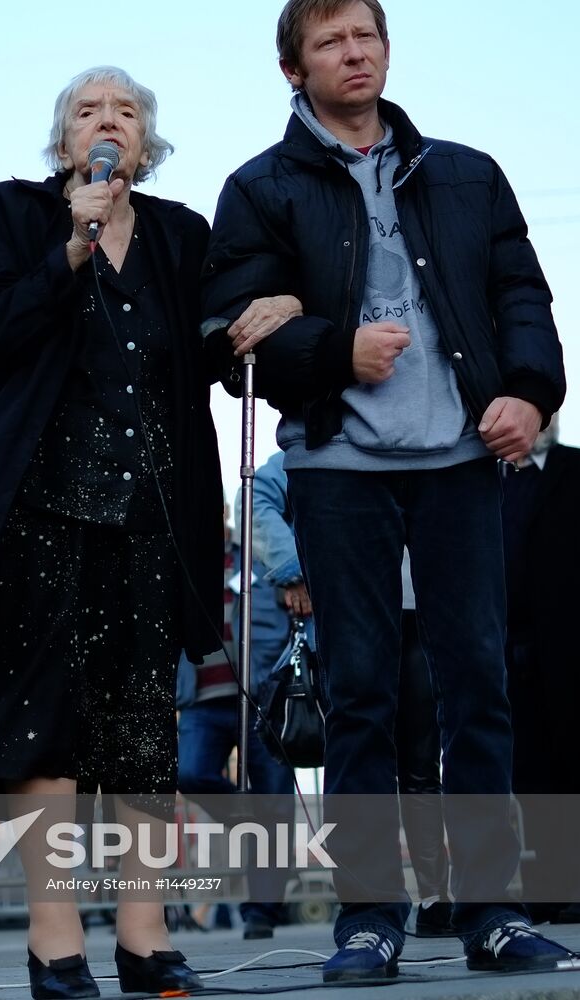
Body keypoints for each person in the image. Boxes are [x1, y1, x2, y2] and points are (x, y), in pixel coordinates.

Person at [202, 0, 568, 980]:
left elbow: (518, 297)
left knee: (476, 689)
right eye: (328, 41)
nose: (351, 52)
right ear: (293, 70)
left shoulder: (462, 172)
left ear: (385, 51)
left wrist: (527, 394)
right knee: (359, 696)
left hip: (457, 460)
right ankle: (368, 915)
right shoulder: (259, 186)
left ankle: (490, 907)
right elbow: (227, 332)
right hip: (334, 469)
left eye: (363, 35)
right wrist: (331, 348)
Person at [0, 67, 282, 999]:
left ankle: (145, 939)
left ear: (148, 139)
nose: (109, 122)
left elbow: (198, 351)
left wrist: (258, 323)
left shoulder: (178, 233)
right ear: (63, 138)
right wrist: (72, 248)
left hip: (149, 519)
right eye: (90, 110)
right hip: (35, 515)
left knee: (140, 736)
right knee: (42, 738)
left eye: (126, 111)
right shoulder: (9, 212)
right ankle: (54, 943)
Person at [248, 451, 453, 938]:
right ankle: (371, 903)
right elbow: (256, 495)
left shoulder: (429, 432)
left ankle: (435, 897)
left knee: (422, 763)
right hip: (354, 610)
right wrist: (294, 569)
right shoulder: (323, 444)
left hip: (417, 609)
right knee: (363, 752)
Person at [175, 503, 294, 941]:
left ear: (225, 512)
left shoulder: (260, 556)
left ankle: (262, 911)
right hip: (202, 700)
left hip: (261, 698)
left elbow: (290, 613)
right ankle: (247, 816)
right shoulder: (181, 562)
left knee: (277, 804)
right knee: (190, 772)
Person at [501, 419, 580, 920]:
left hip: (570, 647)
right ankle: (549, 889)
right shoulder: (490, 481)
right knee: (528, 772)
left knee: (572, 761)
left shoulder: (574, 469)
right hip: (510, 648)